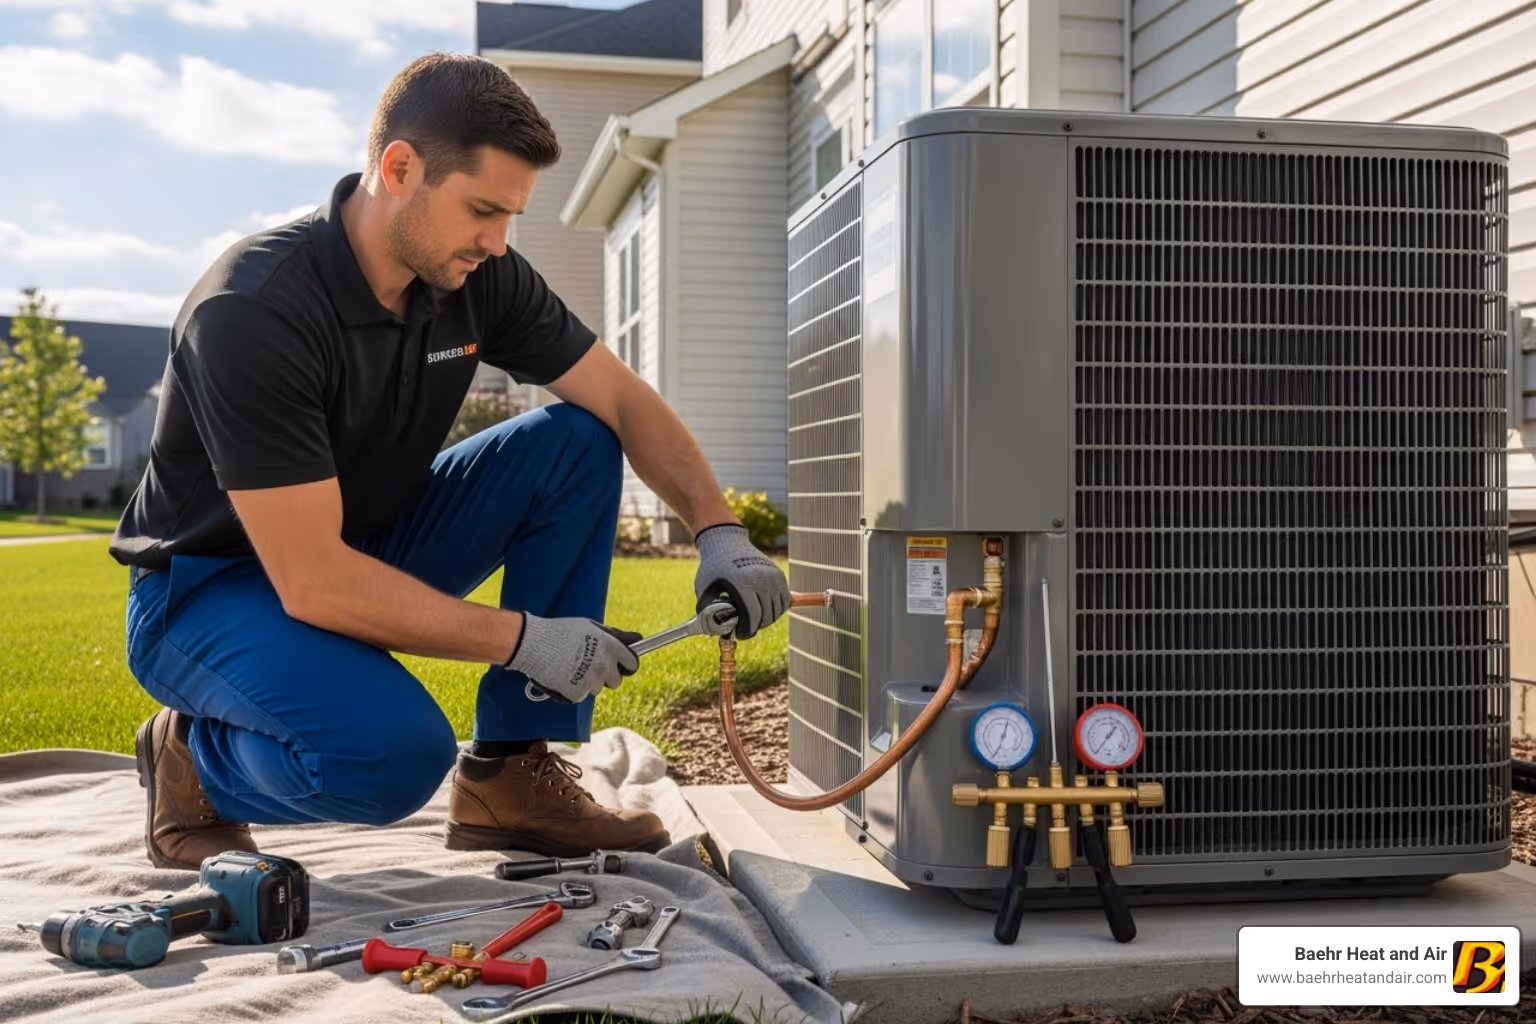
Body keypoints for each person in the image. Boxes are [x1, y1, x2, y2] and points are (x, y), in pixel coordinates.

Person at [107, 52, 790, 871]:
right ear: (400, 168)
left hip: (360, 543)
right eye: (482, 211)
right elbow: (312, 581)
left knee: (574, 441)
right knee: (387, 757)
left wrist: (721, 531)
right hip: (210, 592)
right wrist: (524, 639)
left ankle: (513, 775)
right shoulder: (252, 311)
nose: (498, 242)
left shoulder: (480, 277)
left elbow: (624, 400)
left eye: (511, 217)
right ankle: (194, 762)